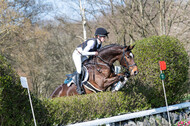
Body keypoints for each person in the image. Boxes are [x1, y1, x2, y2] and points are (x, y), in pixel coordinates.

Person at [72, 27, 109, 94]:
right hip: (77, 54)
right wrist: (93, 53)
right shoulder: (92, 42)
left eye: (104, 37)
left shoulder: (99, 44)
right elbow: (83, 52)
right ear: (98, 36)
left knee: (90, 66)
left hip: (83, 55)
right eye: (103, 37)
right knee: (79, 70)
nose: (104, 38)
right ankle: (78, 88)